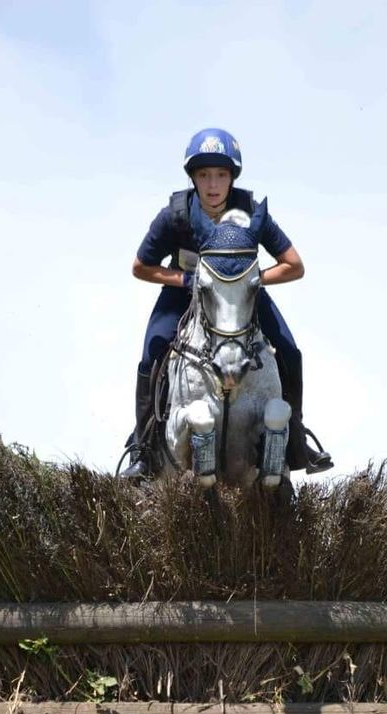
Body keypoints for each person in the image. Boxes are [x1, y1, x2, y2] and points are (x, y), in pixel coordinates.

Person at [120, 127, 333, 479]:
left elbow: (295, 266)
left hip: (241, 295)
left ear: (232, 177)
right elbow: (140, 267)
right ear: (193, 178)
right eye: (204, 175)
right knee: (152, 352)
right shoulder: (174, 216)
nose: (213, 184)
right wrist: (186, 280)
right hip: (183, 292)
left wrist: (248, 281)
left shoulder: (251, 213)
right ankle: (143, 450)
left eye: (221, 174)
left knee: (289, 350)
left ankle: (296, 439)